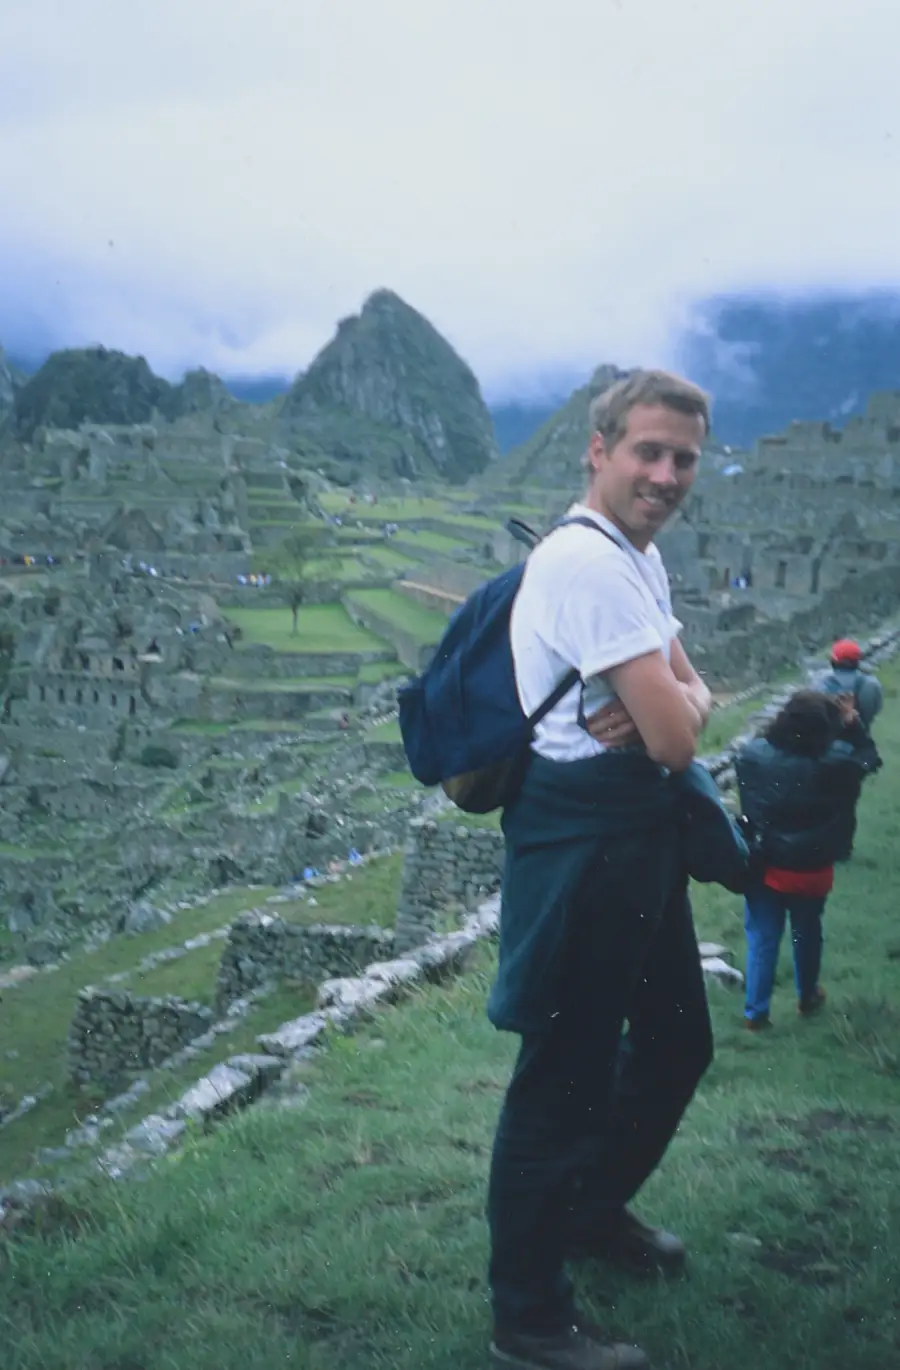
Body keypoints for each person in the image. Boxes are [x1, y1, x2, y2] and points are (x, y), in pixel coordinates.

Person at [487, 370, 716, 1370]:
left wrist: (679, 696)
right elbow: (673, 733)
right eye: (648, 452)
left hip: (636, 838)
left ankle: (588, 1210)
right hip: (584, 845)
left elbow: (688, 691)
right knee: (559, 1082)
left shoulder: (637, 557)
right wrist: (678, 701)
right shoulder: (587, 565)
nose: (665, 475)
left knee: (675, 1041)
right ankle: (530, 1316)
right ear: (600, 448)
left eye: (684, 459)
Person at [734, 689, 880, 1031]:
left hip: (762, 861)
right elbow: (869, 758)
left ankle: (756, 1012)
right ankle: (808, 996)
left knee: (762, 937)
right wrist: (852, 724)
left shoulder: (752, 755)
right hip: (811, 866)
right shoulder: (836, 764)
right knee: (807, 931)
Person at [817, 638, 883, 735]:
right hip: (860, 739)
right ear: (857, 661)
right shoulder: (872, 684)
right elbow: (877, 709)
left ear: (833, 661)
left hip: (827, 740)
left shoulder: (820, 680)